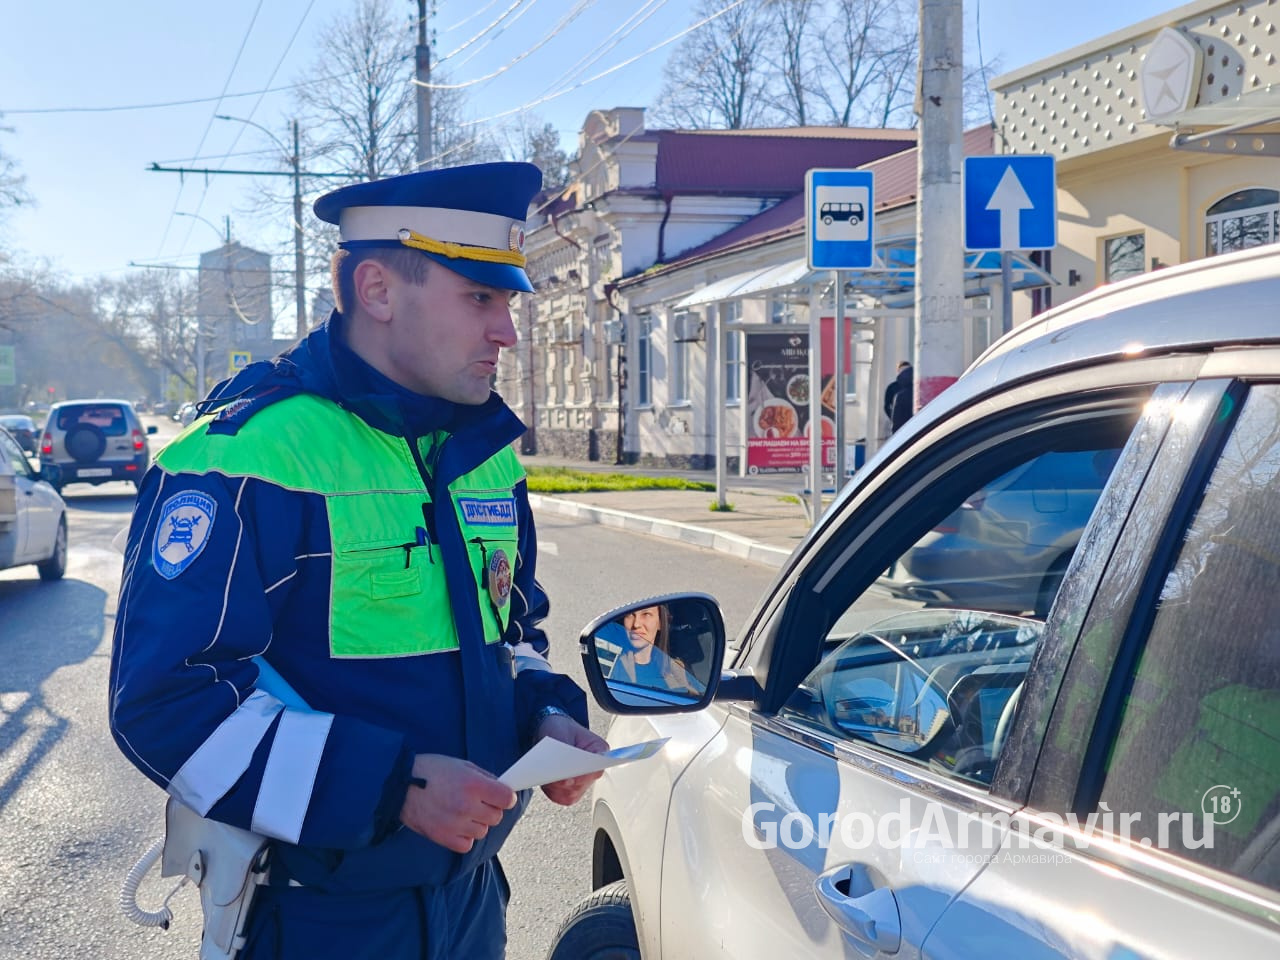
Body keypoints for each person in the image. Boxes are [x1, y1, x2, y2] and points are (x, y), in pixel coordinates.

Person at [108, 161, 607, 960]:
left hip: (470, 905)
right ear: (376, 291)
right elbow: (167, 702)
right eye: (480, 297)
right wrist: (394, 786)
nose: (506, 330)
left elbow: (512, 633)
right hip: (317, 922)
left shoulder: (485, 457)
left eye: (507, 300)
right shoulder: (244, 458)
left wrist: (546, 715)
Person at [608, 604, 704, 695]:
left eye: (646, 614)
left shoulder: (676, 668)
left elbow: (695, 700)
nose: (636, 624)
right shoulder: (612, 664)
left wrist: (684, 684)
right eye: (629, 614)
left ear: (660, 623)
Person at [886, 360, 914, 434]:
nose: (906, 374)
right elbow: (887, 406)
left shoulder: (916, 387)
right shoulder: (892, 387)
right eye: (904, 371)